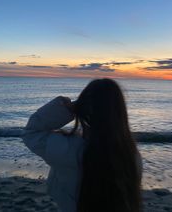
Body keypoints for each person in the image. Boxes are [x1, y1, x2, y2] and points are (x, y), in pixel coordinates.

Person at [23, 78, 142, 212]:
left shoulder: (66, 150)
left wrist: (69, 108)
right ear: (121, 112)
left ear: (83, 108)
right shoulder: (131, 156)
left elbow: (32, 132)